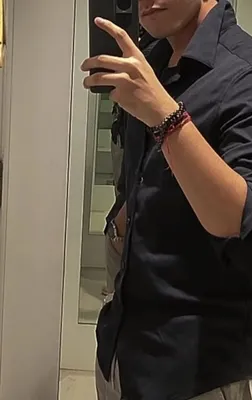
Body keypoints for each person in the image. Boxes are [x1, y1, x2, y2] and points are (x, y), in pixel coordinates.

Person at [81, 1, 252, 399]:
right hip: (122, 353)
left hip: (203, 374)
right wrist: (120, 225)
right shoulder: (151, 63)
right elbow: (145, 176)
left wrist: (165, 117)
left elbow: (250, 227)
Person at [103, 28, 158, 297]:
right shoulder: (143, 44)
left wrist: (123, 221)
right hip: (123, 137)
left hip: (136, 223)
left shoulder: (160, 56)